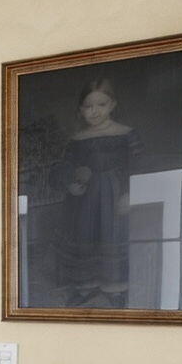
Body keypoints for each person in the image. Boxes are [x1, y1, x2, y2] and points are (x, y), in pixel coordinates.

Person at [54, 77, 136, 306]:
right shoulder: (77, 140)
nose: (95, 111)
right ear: (81, 110)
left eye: (101, 104)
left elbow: (138, 165)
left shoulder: (125, 134)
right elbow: (66, 166)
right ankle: (86, 286)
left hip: (114, 197)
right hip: (84, 200)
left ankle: (115, 288)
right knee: (86, 237)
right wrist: (71, 182)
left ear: (112, 105)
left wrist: (129, 193)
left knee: (112, 237)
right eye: (88, 106)